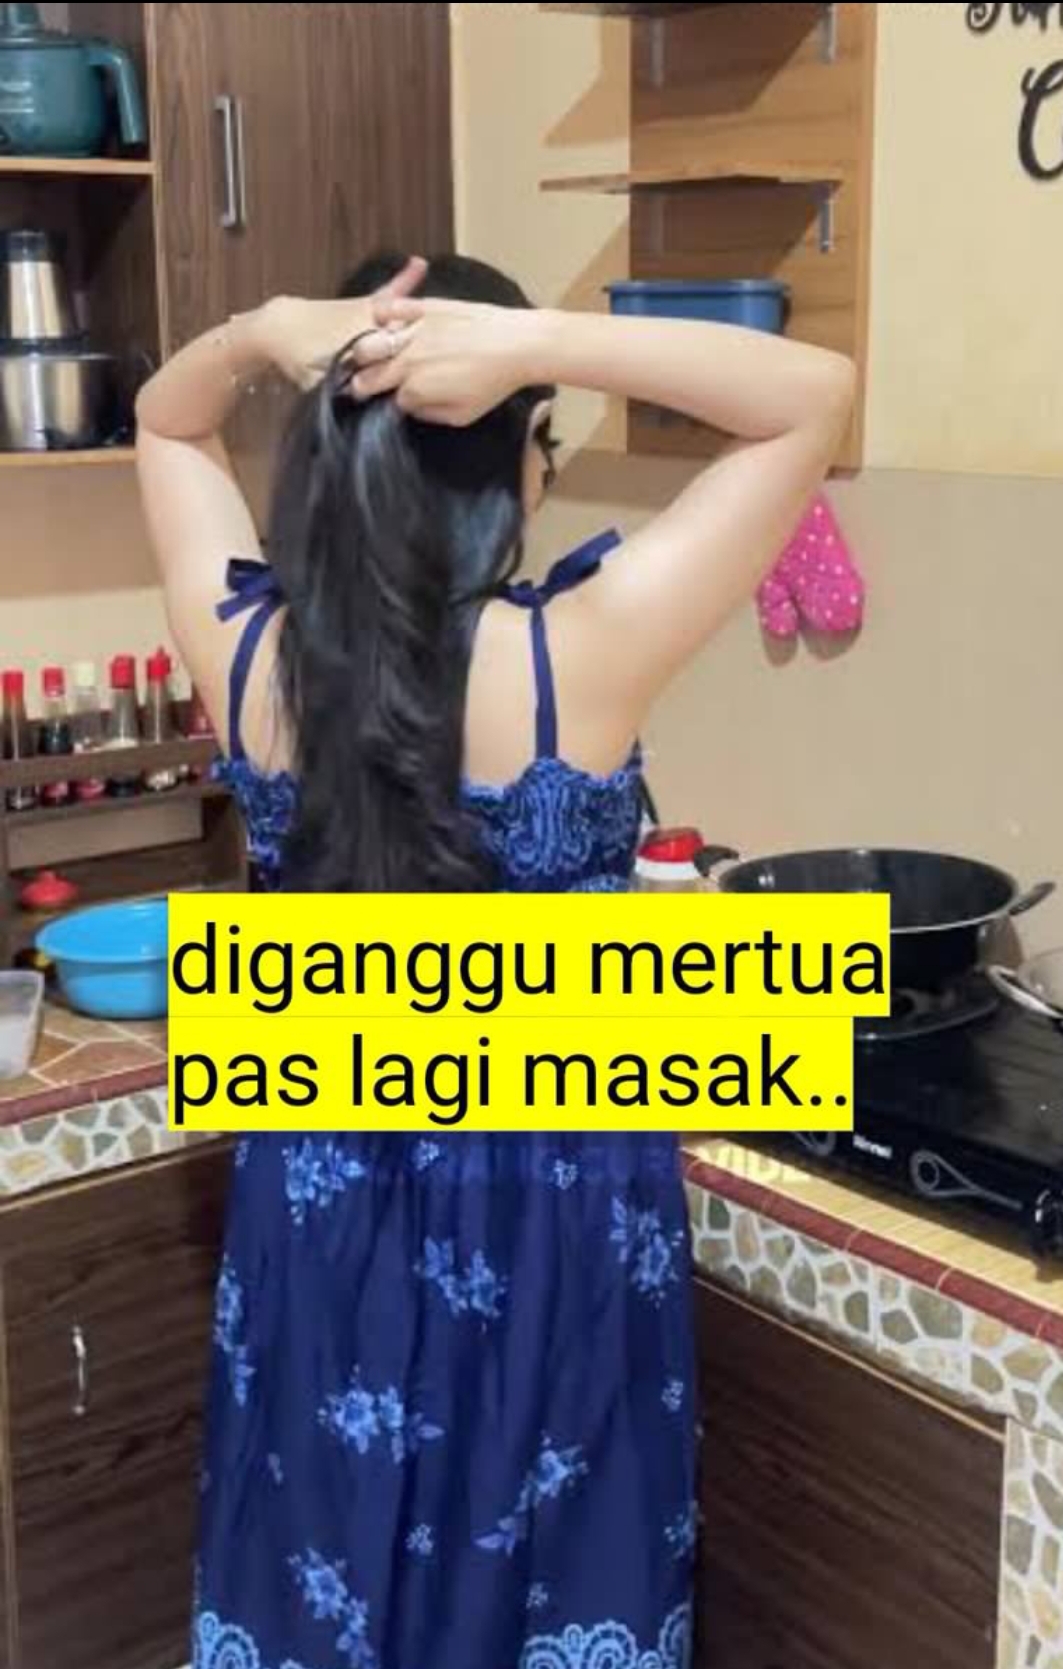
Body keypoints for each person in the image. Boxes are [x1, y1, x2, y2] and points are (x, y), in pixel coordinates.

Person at [135, 251, 853, 1669]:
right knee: (548, 1578)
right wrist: (536, 346)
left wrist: (271, 333)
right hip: (548, 1214)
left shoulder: (255, 659)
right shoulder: (580, 655)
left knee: (328, 1563)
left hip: (326, 1197)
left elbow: (166, 420)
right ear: (511, 457)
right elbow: (811, 396)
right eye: (542, 438)